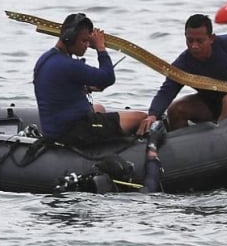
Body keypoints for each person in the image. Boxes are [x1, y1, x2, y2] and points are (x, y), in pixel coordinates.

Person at [137, 14, 227, 135]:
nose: (194, 46)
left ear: (211, 38)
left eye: (200, 41)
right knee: (176, 109)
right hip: (209, 103)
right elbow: (167, 91)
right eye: (190, 40)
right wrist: (152, 115)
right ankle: (181, 149)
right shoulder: (183, 64)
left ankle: (218, 142)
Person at [33, 13, 146, 148]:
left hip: (56, 128)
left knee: (99, 108)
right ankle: (138, 149)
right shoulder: (69, 65)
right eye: (84, 41)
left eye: (88, 41)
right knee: (140, 117)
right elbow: (108, 77)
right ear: (69, 39)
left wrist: (86, 87)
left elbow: (60, 86)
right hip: (75, 131)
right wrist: (100, 47)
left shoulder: (46, 58)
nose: (87, 45)